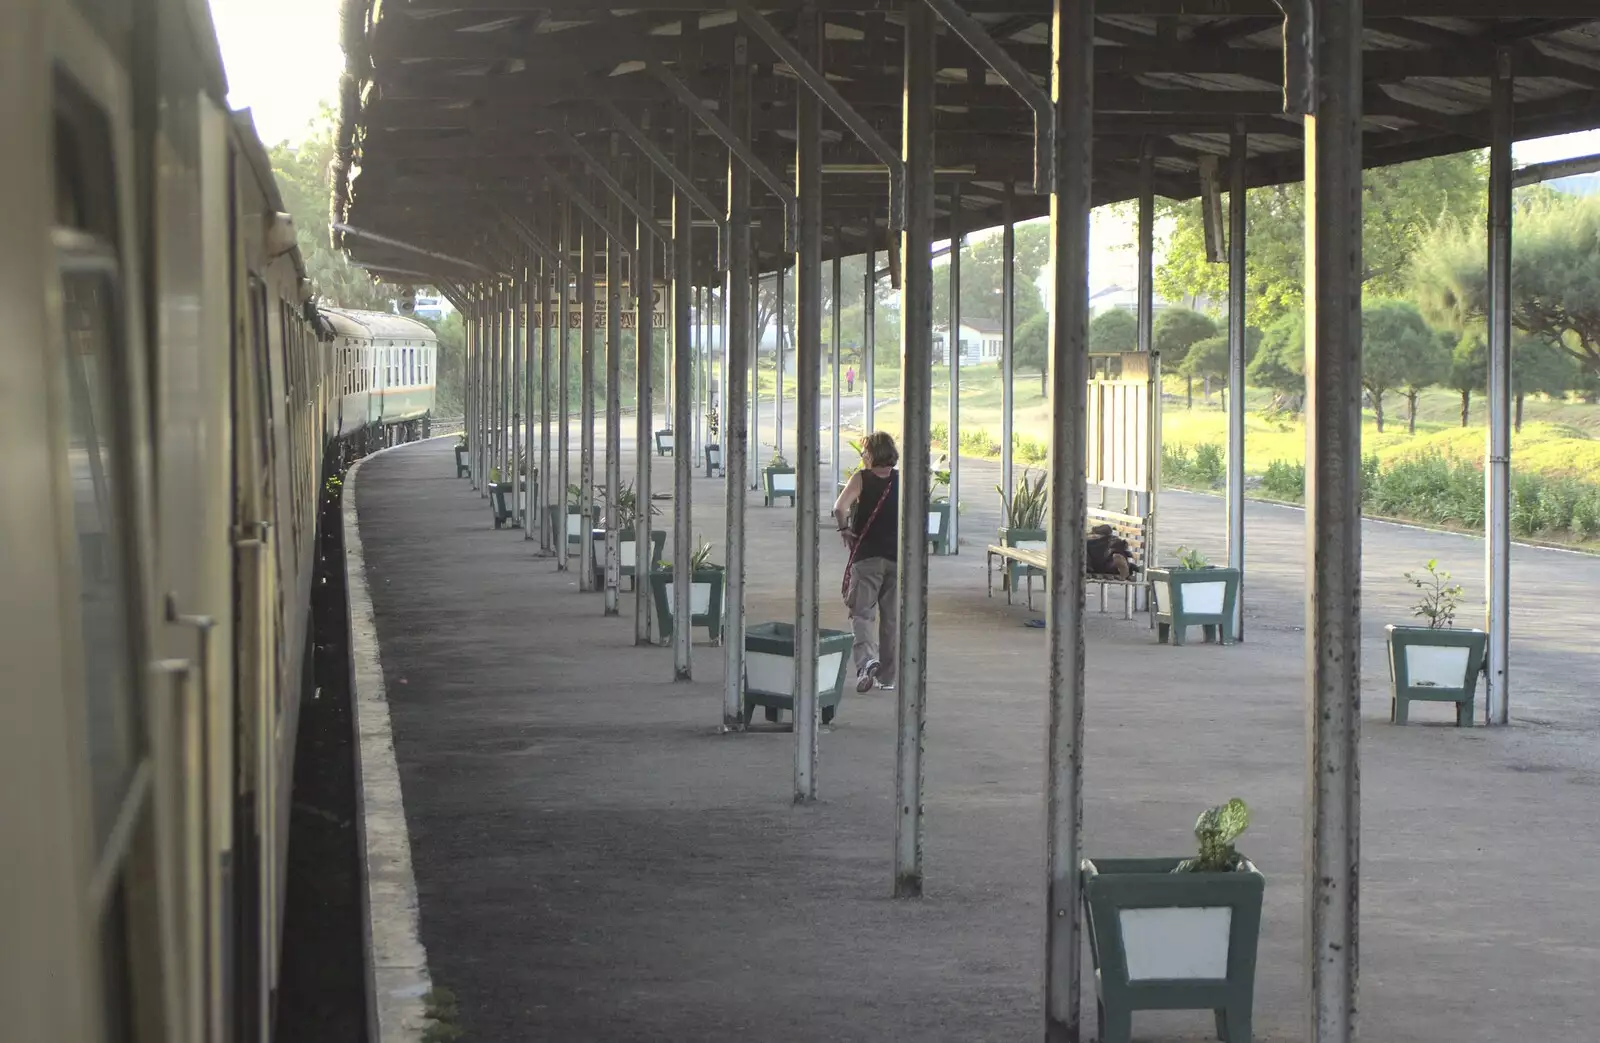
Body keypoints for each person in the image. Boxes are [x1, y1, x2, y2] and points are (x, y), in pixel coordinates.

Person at [832, 431, 898, 692]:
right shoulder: (901, 480)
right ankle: (887, 678)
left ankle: (866, 662)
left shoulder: (862, 478)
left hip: (867, 556)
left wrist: (844, 529)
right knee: (891, 618)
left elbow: (839, 507)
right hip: (897, 558)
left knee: (862, 614)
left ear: (871, 454)